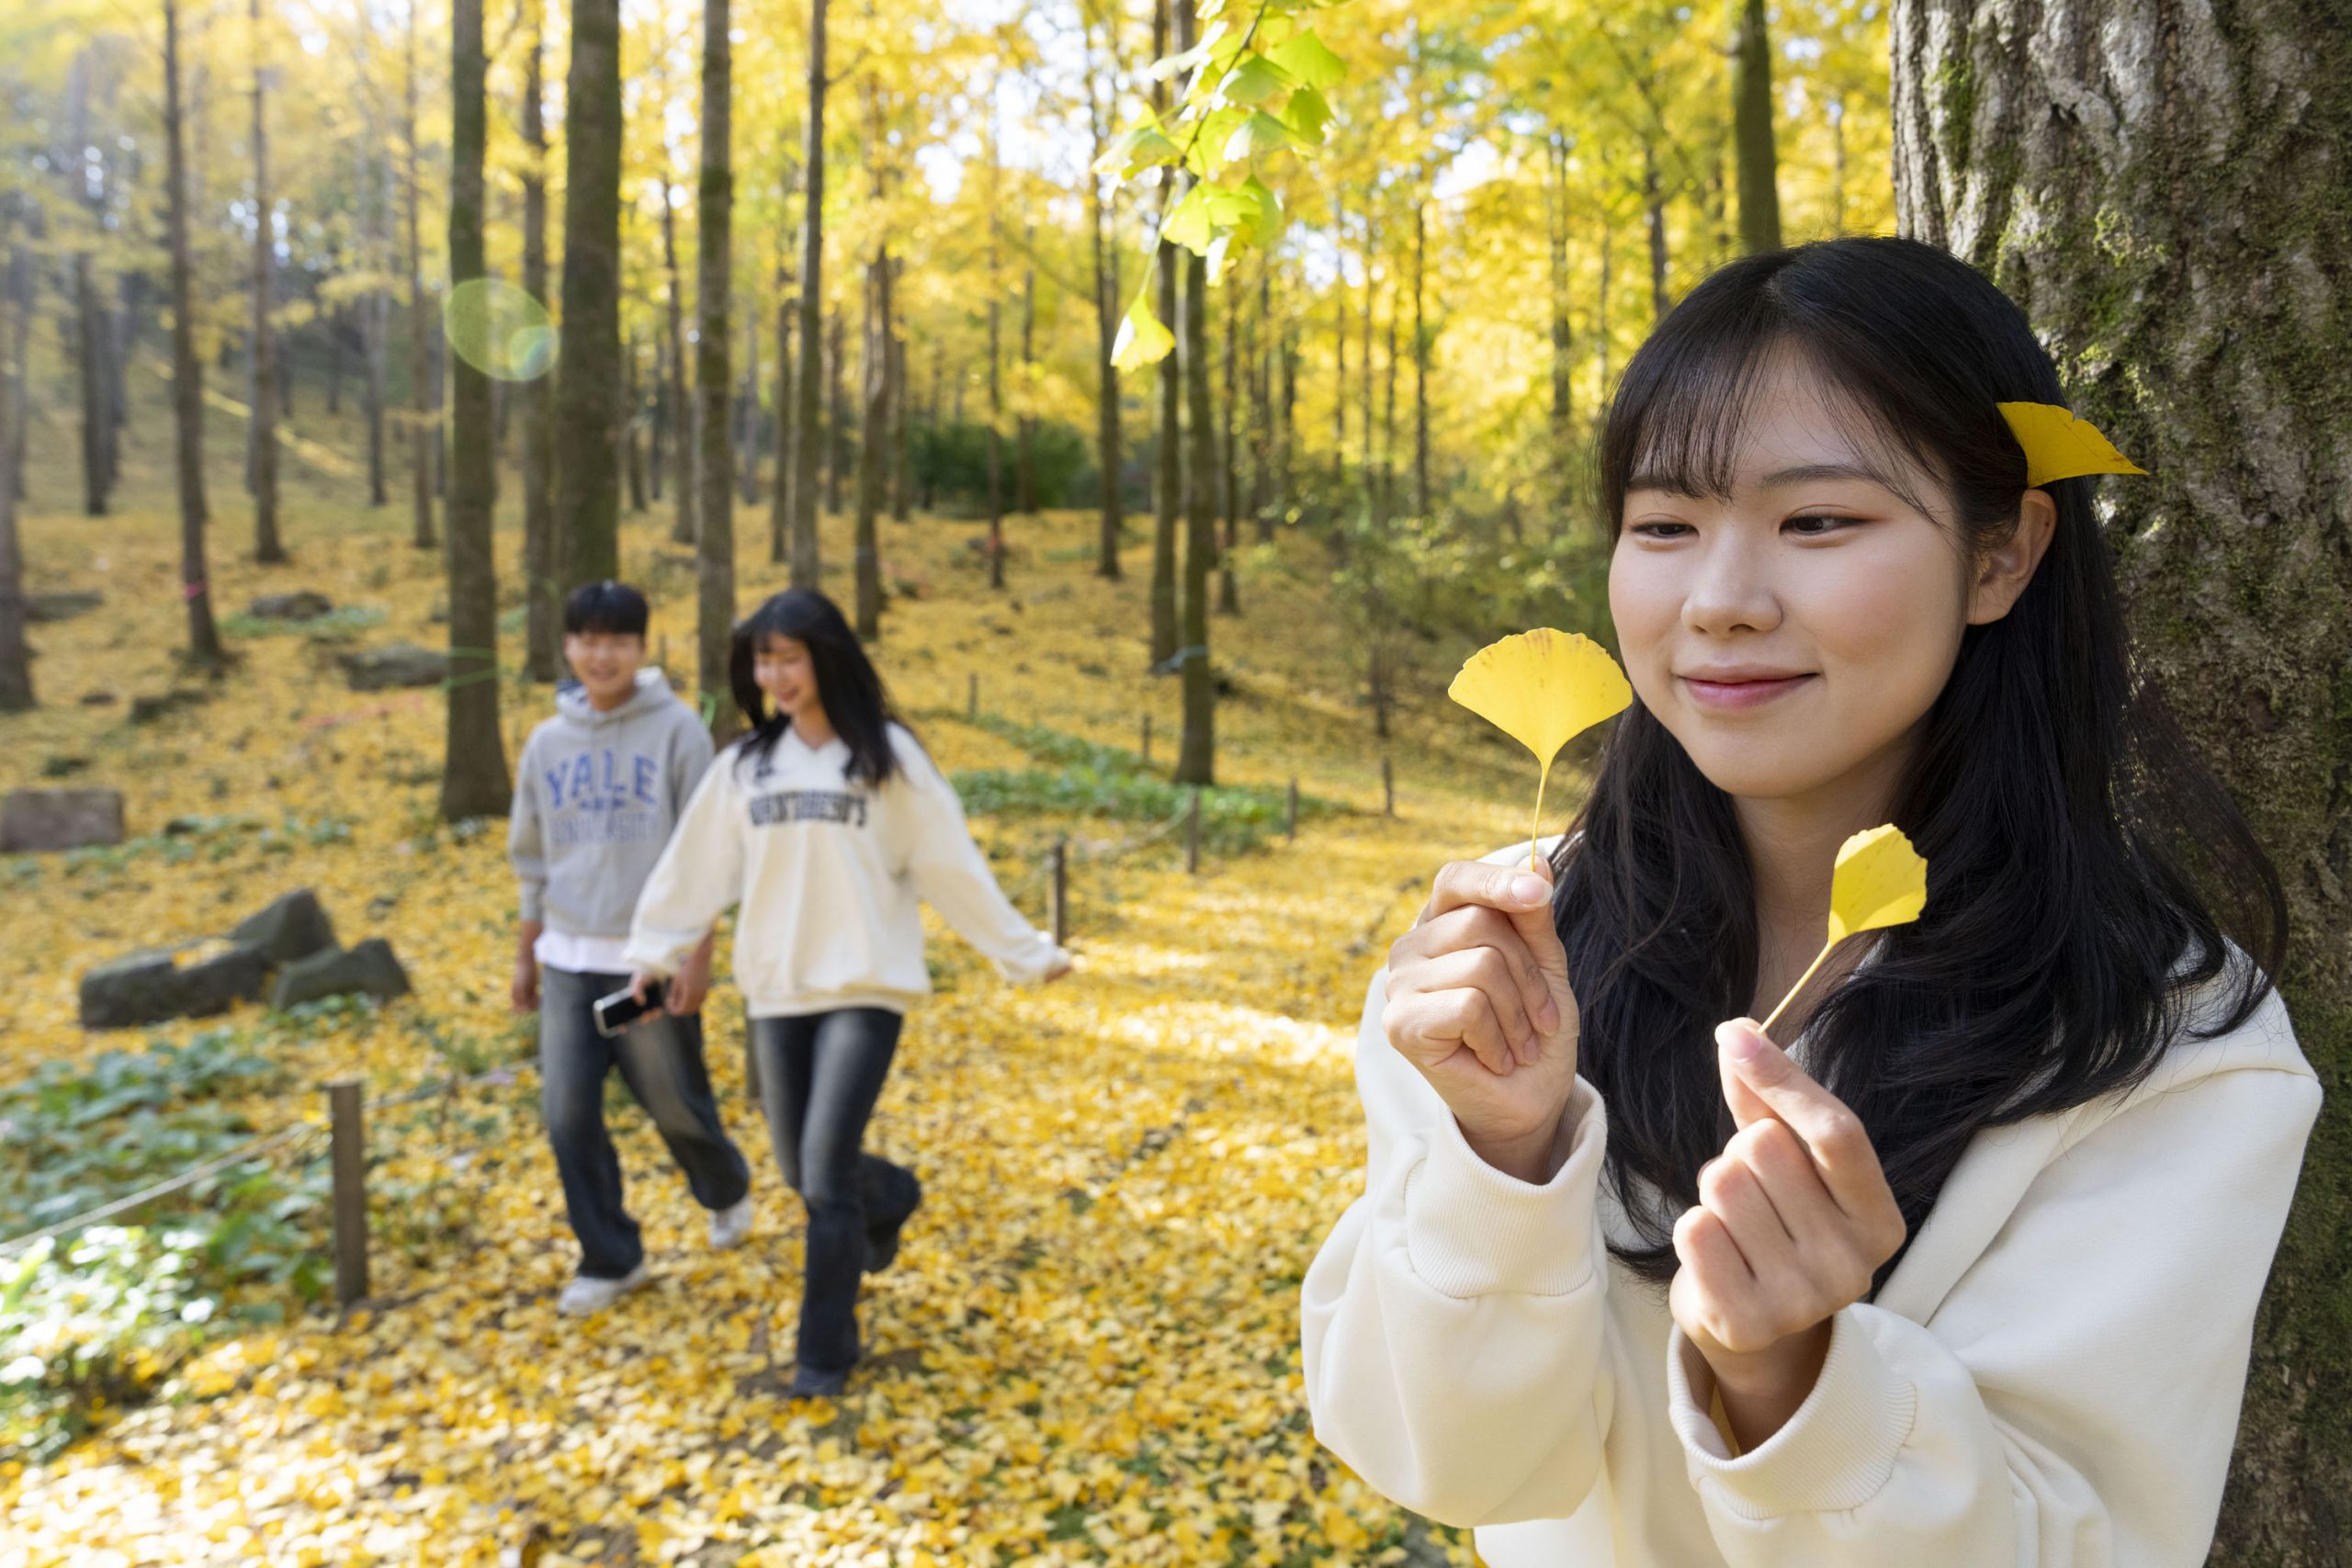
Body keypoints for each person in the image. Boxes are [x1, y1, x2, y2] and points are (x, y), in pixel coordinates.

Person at [1300, 237, 2322, 1565]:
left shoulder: (2172, 1045)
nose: (1719, 602)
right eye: (1664, 525)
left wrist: (1794, 1381)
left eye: (1818, 520)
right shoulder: (1507, 962)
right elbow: (1454, 1460)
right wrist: (1501, 1155)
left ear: (2003, 553)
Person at [623, 587, 1073, 1399]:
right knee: (804, 1169)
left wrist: (1026, 955)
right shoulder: (746, 767)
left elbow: (952, 867)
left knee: (825, 1176)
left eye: (790, 657)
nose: (775, 674)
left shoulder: (886, 759)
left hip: (866, 987)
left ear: (827, 657)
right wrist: (652, 958)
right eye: (764, 659)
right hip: (777, 991)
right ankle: (893, 1192)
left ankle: (823, 1354)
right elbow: (693, 872)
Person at [508, 581, 755, 1318]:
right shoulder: (546, 742)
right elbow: (531, 856)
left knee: (670, 1098)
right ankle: (612, 1256)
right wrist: (526, 953)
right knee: (569, 1110)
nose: (600, 655)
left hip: (646, 960)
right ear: (567, 647)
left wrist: (697, 955)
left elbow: (703, 850)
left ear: (642, 648)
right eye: (587, 639)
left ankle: (724, 1185)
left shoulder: (677, 730)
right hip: (568, 960)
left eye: (617, 640)